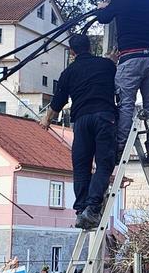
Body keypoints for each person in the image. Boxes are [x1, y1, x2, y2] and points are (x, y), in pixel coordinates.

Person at [42, 33, 117, 229]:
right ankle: (92, 208)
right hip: (104, 117)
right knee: (104, 164)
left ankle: (81, 209)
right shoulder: (106, 65)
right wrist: (111, 60)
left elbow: (57, 102)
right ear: (90, 47)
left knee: (81, 166)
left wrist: (46, 120)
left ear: (72, 52)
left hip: (82, 120)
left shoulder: (69, 72)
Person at [95, 0, 149, 163]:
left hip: (129, 58)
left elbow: (103, 18)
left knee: (126, 104)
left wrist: (102, 7)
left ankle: (120, 147)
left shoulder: (121, 1)